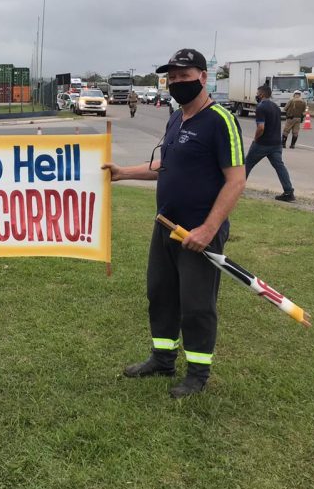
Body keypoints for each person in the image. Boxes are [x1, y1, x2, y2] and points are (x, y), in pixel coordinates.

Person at [102, 48, 246, 398]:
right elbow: (164, 166)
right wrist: (124, 173)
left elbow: (236, 180)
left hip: (198, 232)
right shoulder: (175, 119)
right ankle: (162, 359)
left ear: (203, 77)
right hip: (166, 224)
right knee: (161, 294)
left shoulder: (220, 120)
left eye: (185, 75)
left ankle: (197, 373)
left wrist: (208, 230)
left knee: (197, 303)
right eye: (173, 77)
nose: (178, 82)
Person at [246, 84, 295, 202]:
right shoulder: (275, 107)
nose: (256, 95)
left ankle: (235, 187)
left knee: (247, 163)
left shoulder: (261, 107)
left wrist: (255, 138)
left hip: (262, 143)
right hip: (276, 144)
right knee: (280, 167)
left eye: (257, 93)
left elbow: (261, 127)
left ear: (262, 94)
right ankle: (289, 192)